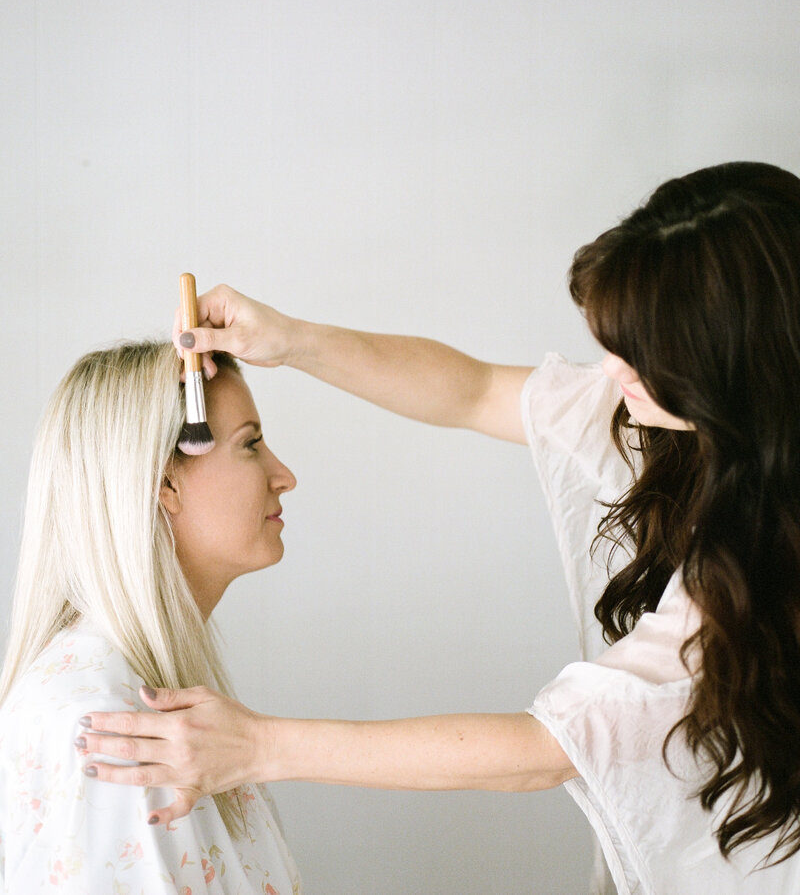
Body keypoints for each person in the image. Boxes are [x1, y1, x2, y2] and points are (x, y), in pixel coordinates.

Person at [80, 163, 800, 893]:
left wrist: (259, 745)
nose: (611, 368)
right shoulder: (676, 418)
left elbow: (543, 749)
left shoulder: (765, 560)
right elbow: (473, 389)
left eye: (641, 353)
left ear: (729, 368)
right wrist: (289, 339)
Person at [0, 342, 302, 894]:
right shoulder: (112, 733)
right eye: (251, 445)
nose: (284, 476)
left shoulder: (171, 710)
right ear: (165, 483)